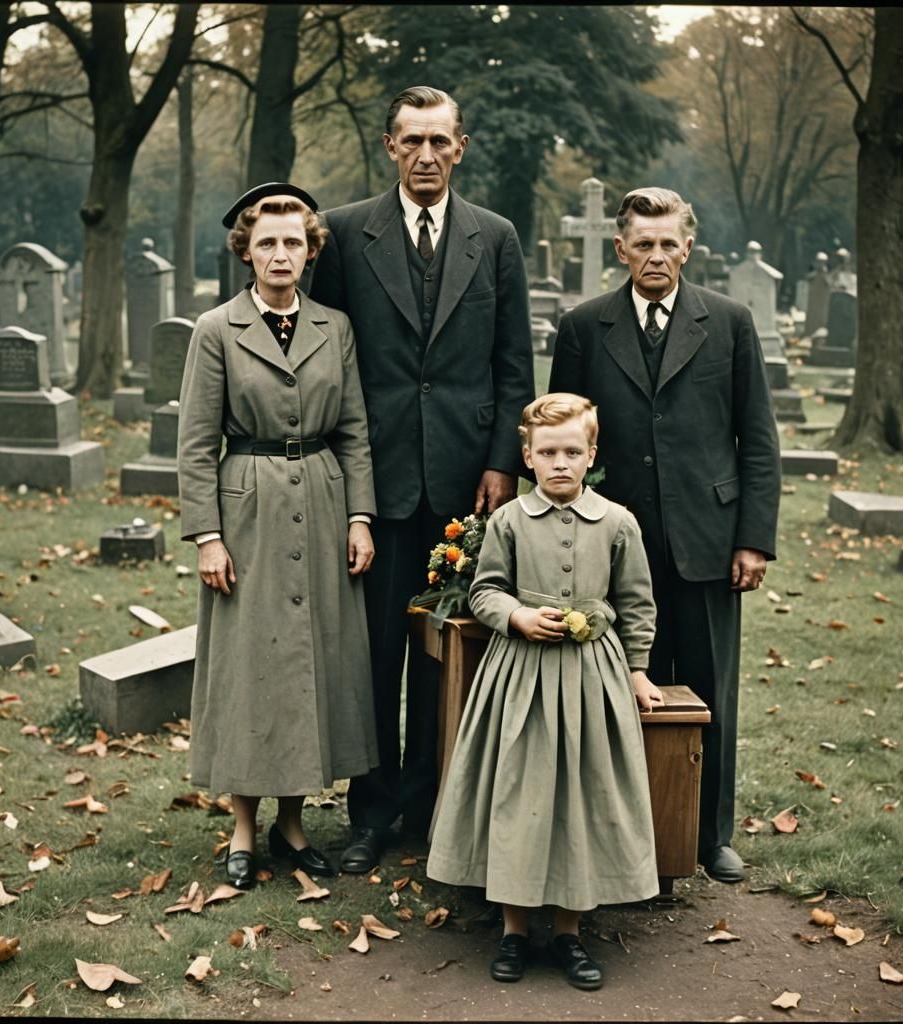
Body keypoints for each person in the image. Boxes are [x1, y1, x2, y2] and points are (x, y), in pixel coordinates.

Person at [308, 85, 535, 872]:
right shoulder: (343, 235)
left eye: (441, 141)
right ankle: (371, 816)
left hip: (466, 487)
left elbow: (514, 363)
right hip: (375, 484)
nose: (428, 155)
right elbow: (326, 365)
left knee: (451, 661)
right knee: (374, 656)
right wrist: (346, 486)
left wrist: (504, 463)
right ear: (390, 146)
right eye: (413, 141)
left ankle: (441, 807)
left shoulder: (496, 237)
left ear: (461, 147)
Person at [548, 186, 780, 885]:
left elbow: (758, 439)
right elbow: (562, 431)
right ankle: (614, 830)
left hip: (707, 538)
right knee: (612, 685)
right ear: (621, 250)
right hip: (612, 540)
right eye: (641, 244)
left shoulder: (730, 322)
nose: (655, 255)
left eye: (667, 243)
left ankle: (710, 835)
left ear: (688, 246)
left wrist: (753, 539)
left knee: (708, 686)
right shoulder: (585, 326)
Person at [177, 182, 379, 889]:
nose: (281, 253)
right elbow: (197, 443)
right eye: (267, 242)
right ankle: (242, 826)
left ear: (311, 248)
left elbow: (354, 429)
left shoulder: (335, 327)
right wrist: (207, 535)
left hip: (322, 501)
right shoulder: (215, 330)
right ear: (246, 251)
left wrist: (360, 517)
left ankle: (293, 823)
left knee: (306, 663)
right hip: (248, 510)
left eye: (294, 241)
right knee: (251, 666)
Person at [426, 393, 663, 989]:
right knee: (520, 794)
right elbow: (484, 592)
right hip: (521, 679)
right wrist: (517, 617)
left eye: (573, 452)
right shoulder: (507, 521)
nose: (561, 463)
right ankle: (512, 930)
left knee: (581, 798)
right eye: (548, 452)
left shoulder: (617, 523)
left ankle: (568, 932)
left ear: (591, 455)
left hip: (592, 680)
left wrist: (636, 670)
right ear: (527, 456)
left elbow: (636, 604)